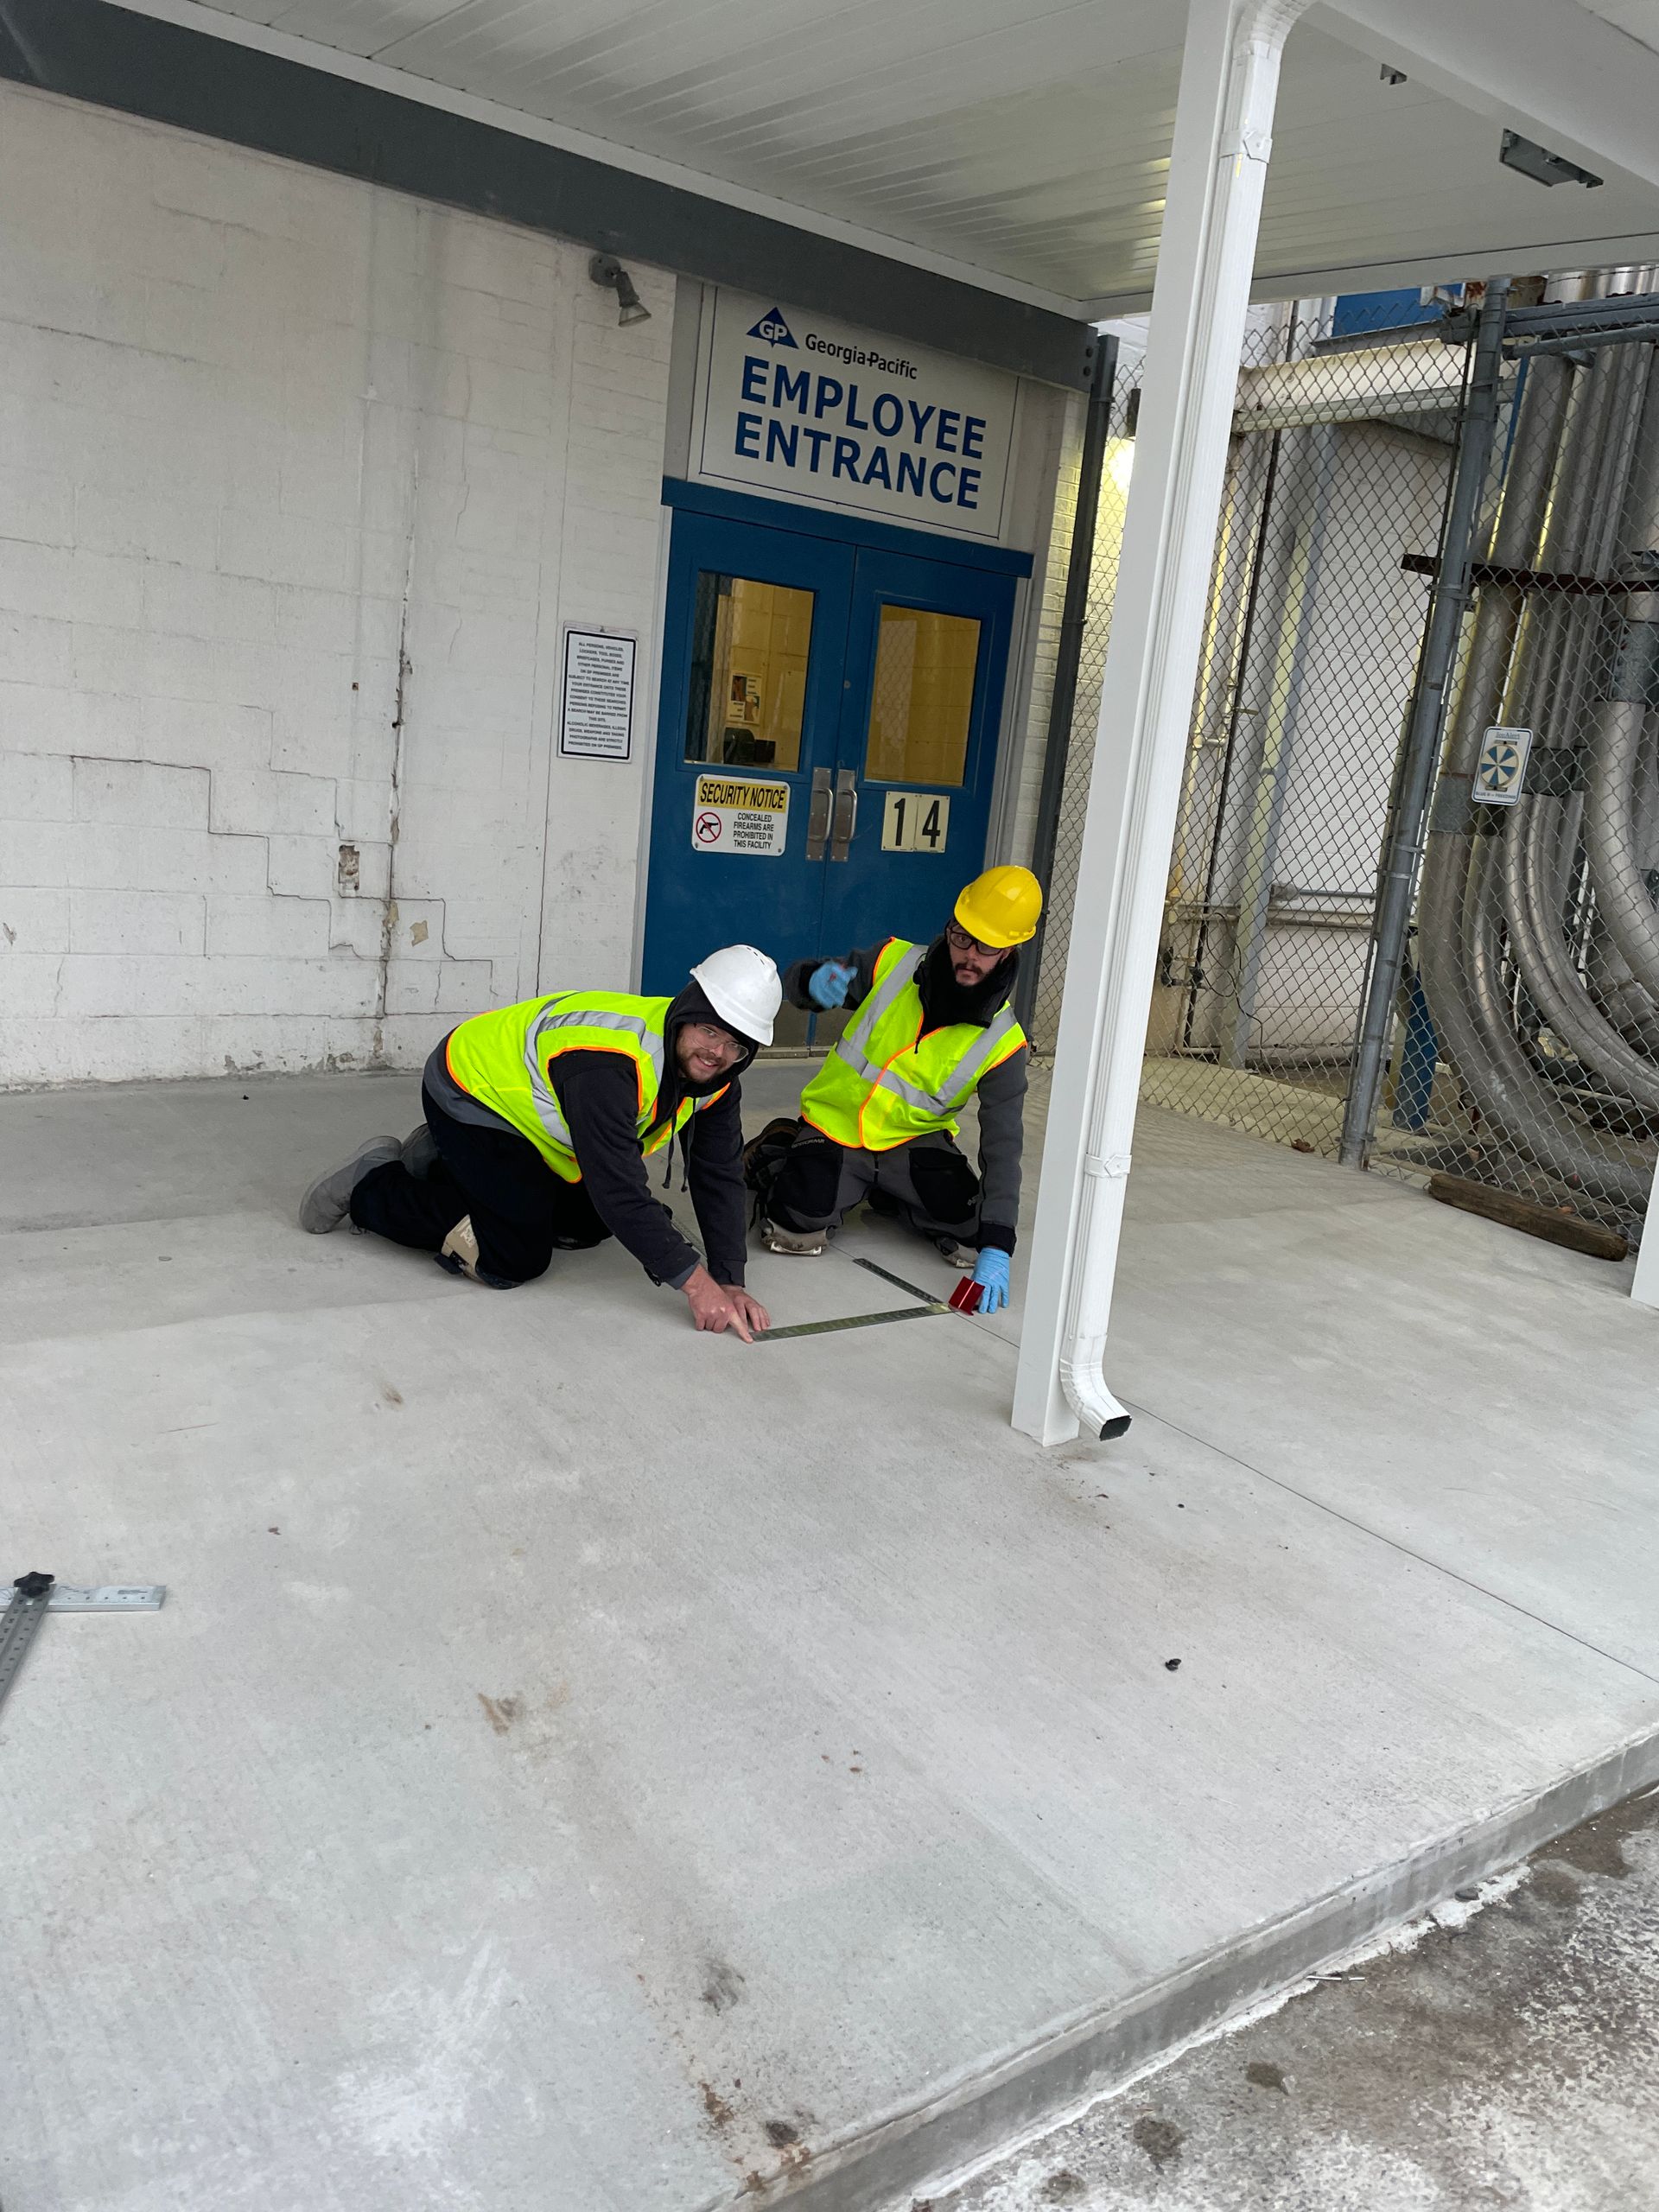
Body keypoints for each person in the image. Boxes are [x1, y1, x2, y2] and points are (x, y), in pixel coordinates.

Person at [299, 946, 781, 1340]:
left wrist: (729, 1278)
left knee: (587, 1224)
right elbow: (619, 1190)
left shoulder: (718, 1080)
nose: (715, 1053)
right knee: (512, 1256)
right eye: (709, 1029)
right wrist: (697, 1286)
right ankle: (374, 1182)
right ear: (687, 1013)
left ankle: (446, 1163)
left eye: (736, 1045)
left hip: (540, 1120)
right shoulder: (612, 1066)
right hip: (473, 1090)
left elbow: (717, 1173)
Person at [747, 867, 1039, 1314]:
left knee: (970, 1234)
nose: (968, 954)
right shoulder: (893, 962)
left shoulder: (1003, 1042)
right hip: (836, 1126)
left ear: (1010, 951)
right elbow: (800, 980)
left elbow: (1004, 1147)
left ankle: (890, 1193)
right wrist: (812, 983)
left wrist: (1000, 1244)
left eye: (986, 946)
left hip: (911, 1143)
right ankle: (781, 1148)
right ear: (950, 924)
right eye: (962, 936)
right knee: (794, 1229)